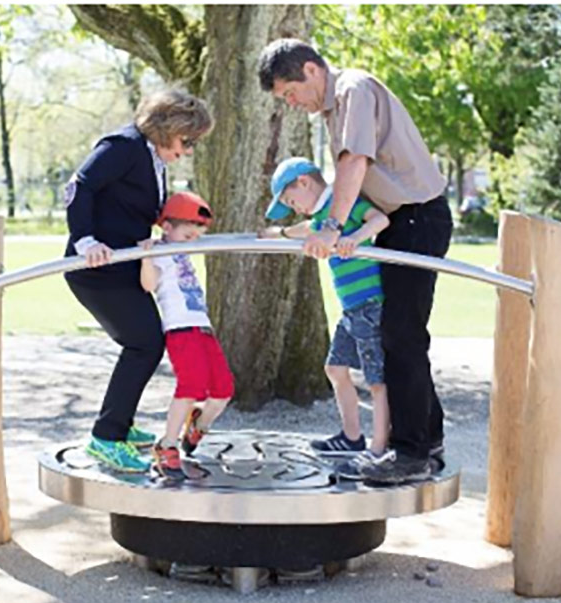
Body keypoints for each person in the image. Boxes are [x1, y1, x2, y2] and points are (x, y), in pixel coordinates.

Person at [258, 39, 452, 484]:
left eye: (290, 92)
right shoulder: (335, 108)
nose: (292, 103)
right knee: (398, 332)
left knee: (400, 334)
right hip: (401, 220)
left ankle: (410, 453)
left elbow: (354, 161)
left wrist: (332, 227)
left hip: (417, 217)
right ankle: (428, 438)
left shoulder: (353, 90)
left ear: (311, 70)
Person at [64, 89, 213, 473]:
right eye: (187, 140)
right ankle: (106, 437)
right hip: (97, 271)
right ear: (168, 127)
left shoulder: (152, 158)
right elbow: (79, 186)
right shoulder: (124, 146)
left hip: (125, 268)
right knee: (144, 343)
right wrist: (85, 240)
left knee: (148, 342)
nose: (188, 150)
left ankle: (120, 423)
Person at [260, 157, 391, 479]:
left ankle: (379, 448)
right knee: (335, 368)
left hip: (369, 304)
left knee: (376, 379)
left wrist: (355, 238)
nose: (295, 208)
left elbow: (380, 219)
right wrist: (278, 233)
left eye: (292, 201)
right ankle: (351, 437)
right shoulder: (321, 218)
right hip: (351, 309)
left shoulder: (342, 204)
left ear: (304, 182)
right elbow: (306, 229)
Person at [139, 192, 234, 479]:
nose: (192, 241)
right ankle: (167, 445)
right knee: (191, 386)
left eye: (196, 237)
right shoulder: (159, 251)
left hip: (203, 326)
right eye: (187, 235)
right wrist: (146, 257)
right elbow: (149, 285)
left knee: (223, 390)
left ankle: (197, 426)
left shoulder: (183, 248)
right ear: (167, 227)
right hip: (180, 329)